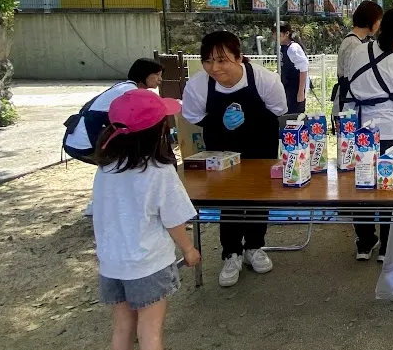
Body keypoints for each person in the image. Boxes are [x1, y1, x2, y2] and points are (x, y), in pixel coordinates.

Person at [90, 88, 199, 350]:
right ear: (158, 133)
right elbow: (174, 219)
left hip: (113, 264)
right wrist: (189, 249)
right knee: (150, 331)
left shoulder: (104, 170)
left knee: (123, 326)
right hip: (148, 265)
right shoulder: (158, 171)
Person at [181, 31, 286, 287]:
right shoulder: (198, 85)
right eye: (207, 61)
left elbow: (279, 110)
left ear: (240, 57)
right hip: (222, 145)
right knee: (227, 198)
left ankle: (254, 247)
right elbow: (193, 115)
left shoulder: (265, 79)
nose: (214, 68)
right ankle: (231, 253)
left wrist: (250, 120)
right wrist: (219, 121)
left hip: (260, 143)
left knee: (259, 195)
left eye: (222, 60)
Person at [342, 8, 393, 261]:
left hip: (358, 127)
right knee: (389, 184)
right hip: (388, 129)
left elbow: (349, 85)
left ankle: (364, 243)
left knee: (363, 184)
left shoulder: (358, 51)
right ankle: (387, 246)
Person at [64, 58, 166, 163]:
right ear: (144, 73)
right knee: (131, 165)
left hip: (75, 140)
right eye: (157, 75)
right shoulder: (130, 92)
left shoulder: (124, 86)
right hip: (86, 144)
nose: (160, 79)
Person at [332, 0, 384, 116]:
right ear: (370, 20)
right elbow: (351, 77)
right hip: (349, 104)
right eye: (378, 20)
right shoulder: (353, 43)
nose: (379, 24)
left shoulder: (358, 41)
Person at [277, 23, 310, 115]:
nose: (275, 37)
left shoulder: (293, 48)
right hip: (287, 86)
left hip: (295, 86)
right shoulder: (281, 48)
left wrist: (301, 92)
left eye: (278, 34)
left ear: (286, 34)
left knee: (295, 117)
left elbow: (304, 69)